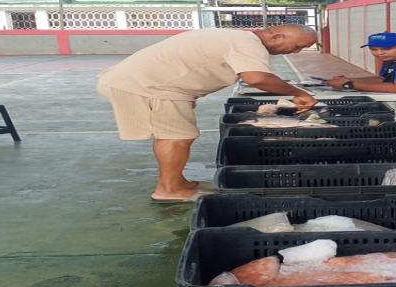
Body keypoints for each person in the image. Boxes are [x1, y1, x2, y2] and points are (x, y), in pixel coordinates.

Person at [97, 25, 318, 202]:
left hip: (150, 83)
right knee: (176, 136)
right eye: (297, 46)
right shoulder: (247, 43)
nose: (296, 52)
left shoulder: (237, 37)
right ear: (278, 36)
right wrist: (299, 93)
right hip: (151, 87)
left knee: (177, 135)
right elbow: (257, 78)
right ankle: (169, 189)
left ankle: (177, 182)